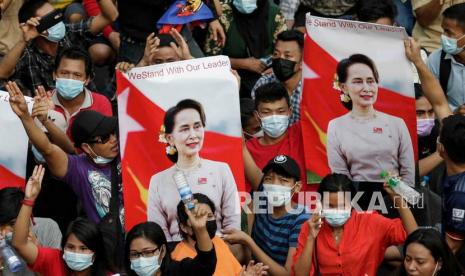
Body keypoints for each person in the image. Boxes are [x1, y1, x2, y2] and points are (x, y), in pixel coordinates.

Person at [6, 81, 123, 225]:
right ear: (86, 147)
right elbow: (47, 149)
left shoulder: (128, 153)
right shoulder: (77, 168)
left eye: (113, 133)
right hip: (108, 241)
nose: (113, 140)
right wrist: (25, 116)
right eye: (105, 138)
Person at [406, 37, 465, 274]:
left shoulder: (460, 196)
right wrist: (419, 63)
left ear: (440, 149)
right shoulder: (457, 137)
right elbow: (439, 101)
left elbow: (447, 251)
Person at [327, 53, 415, 210]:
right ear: (343, 87)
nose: (366, 88)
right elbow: (340, 175)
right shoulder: (336, 126)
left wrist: (399, 201)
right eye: (357, 81)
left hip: (396, 202)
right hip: (356, 204)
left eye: (370, 81)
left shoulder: (396, 124)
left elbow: (408, 174)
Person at [147, 99, 240, 242]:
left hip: (220, 252)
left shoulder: (221, 170)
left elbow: (233, 225)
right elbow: (159, 233)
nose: (193, 135)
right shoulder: (158, 181)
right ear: (170, 138)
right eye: (184, 129)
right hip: (178, 258)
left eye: (197, 126)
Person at [292, 173, 418, 275]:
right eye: (330, 206)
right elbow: (300, 274)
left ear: (352, 203)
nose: (336, 210)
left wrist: (396, 197)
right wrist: (310, 238)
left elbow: (413, 235)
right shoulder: (311, 226)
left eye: (342, 206)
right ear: (319, 204)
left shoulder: (370, 222)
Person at [0, 0, 118, 95]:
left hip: (88, 108)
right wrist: (23, 39)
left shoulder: (69, 32)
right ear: (34, 25)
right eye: (49, 19)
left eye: (56, 15)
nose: (56, 22)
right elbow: (2, 73)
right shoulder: (28, 52)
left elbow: (110, 16)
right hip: (48, 115)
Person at [11, 165, 108, 275]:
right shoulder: (55, 261)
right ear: (63, 247)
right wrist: (29, 199)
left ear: (95, 253)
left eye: (83, 248)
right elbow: (19, 244)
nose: (76, 253)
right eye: (70, 247)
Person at [224, 155, 310, 276]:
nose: (275, 185)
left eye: (283, 180)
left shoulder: (301, 218)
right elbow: (244, 228)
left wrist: (249, 242)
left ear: (297, 187)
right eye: (269, 179)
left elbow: (288, 273)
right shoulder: (261, 200)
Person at [204, 0, 287, 97]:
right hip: (229, 75)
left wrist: (276, 68)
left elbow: (286, 48)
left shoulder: (274, 13)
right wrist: (244, 64)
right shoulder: (224, 13)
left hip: (265, 75)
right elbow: (210, 60)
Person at [244, 82, 308, 192]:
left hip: (311, 207)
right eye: (266, 112)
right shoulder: (247, 151)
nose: (274, 117)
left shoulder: (304, 133)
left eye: (281, 111)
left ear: (290, 112)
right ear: (257, 116)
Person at [38, 46, 112, 139]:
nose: (70, 79)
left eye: (77, 75)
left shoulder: (101, 103)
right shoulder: (42, 102)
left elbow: (105, 144)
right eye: (64, 73)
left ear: (87, 79)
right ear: (54, 74)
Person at [172, 193, 242, 275]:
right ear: (183, 227)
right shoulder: (179, 258)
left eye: (209, 216)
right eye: (197, 218)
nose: (203, 222)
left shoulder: (217, 241)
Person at [0, 187, 63, 276]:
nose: (4, 232)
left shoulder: (48, 228)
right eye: (1, 226)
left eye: (12, 224)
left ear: (27, 215)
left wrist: (37, 250)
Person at [251, 30, 304, 124]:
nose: (280, 59)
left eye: (287, 56)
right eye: (276, 54)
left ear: (302, 62)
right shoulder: (263, 84)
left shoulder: (310, 92)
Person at [426, 3, 465, 113]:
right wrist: (454, 113)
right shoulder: (436, 59)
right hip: (449, 122)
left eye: (449, 32)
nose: (443, 36)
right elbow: (429, 100)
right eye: (443, 30)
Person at [115, 29, 194, 72]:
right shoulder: (145, 78)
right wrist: (143, 62)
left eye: (170, 61)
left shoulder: (189, 76)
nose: (164, 66)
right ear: (150, 62)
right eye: (158, 62)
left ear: (180, 60)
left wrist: (188, 57)